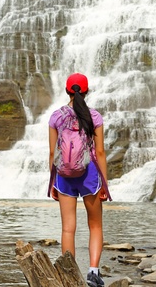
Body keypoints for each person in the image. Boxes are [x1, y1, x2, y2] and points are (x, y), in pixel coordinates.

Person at [48, 73, 109, 287]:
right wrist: (104, 184)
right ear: (86, 91)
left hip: (64, 176)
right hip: (89, 174)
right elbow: (99, 152)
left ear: (67, 91)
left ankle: (69, 276)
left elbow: (52, 152)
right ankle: (93, 272)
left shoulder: (56, 116)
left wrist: (53, 182)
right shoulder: (94, 117)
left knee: (68, 228)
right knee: (95, 226)